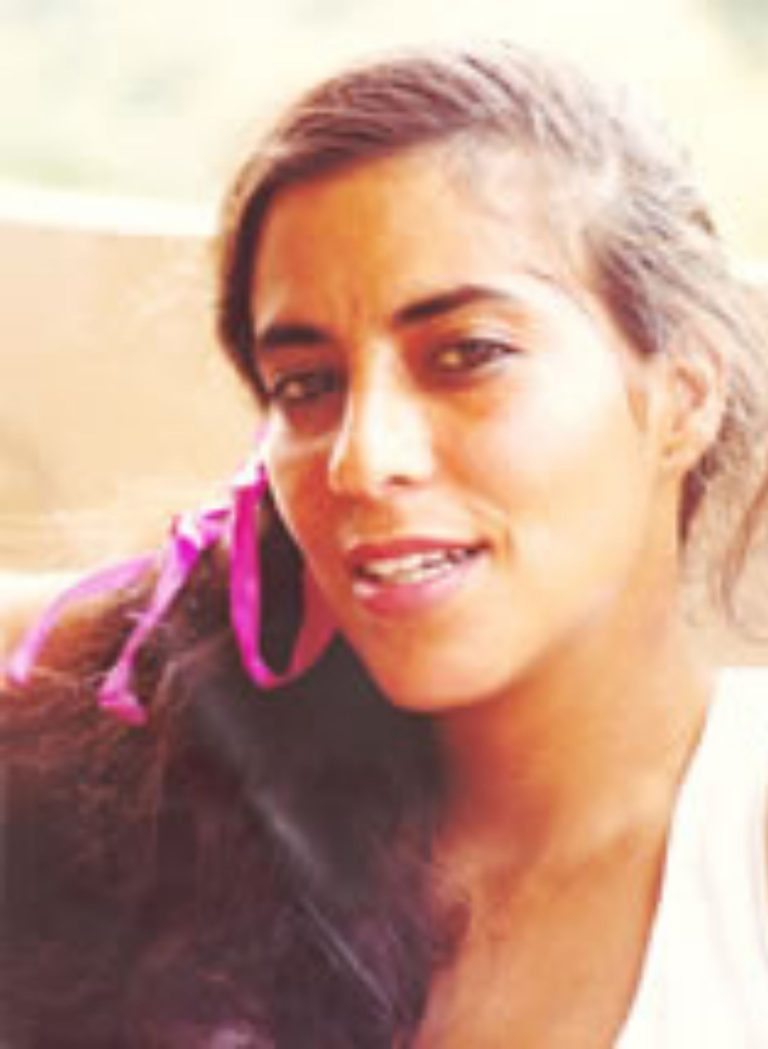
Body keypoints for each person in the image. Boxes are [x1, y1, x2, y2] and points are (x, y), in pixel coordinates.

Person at [2, 41, 768, 1049]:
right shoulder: (180, 792)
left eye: (468, 354)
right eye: (307, 384)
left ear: (684, 395)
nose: (361, 460)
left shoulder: (741, 843)